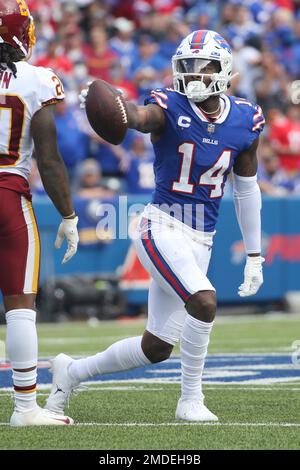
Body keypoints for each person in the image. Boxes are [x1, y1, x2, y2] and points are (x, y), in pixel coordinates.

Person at [46, 30, 265, 422]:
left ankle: (72, 372)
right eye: (187, 68)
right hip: (160, 227)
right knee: (204, 300)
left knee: (156, 347)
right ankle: (190, 400)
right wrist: (114, 107)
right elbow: (140, 117)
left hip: (203, 238)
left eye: (203, 68)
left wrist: (255, 255)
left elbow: (246, 190)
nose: (194, 75)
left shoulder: (246, 118)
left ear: (223, 70)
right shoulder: (169, 105)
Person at [0, 0, 79, 426]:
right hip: (9, 194)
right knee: (20, 306)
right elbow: (49, 160)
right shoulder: (37, 80)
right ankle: (26, 408)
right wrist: (68, 215)